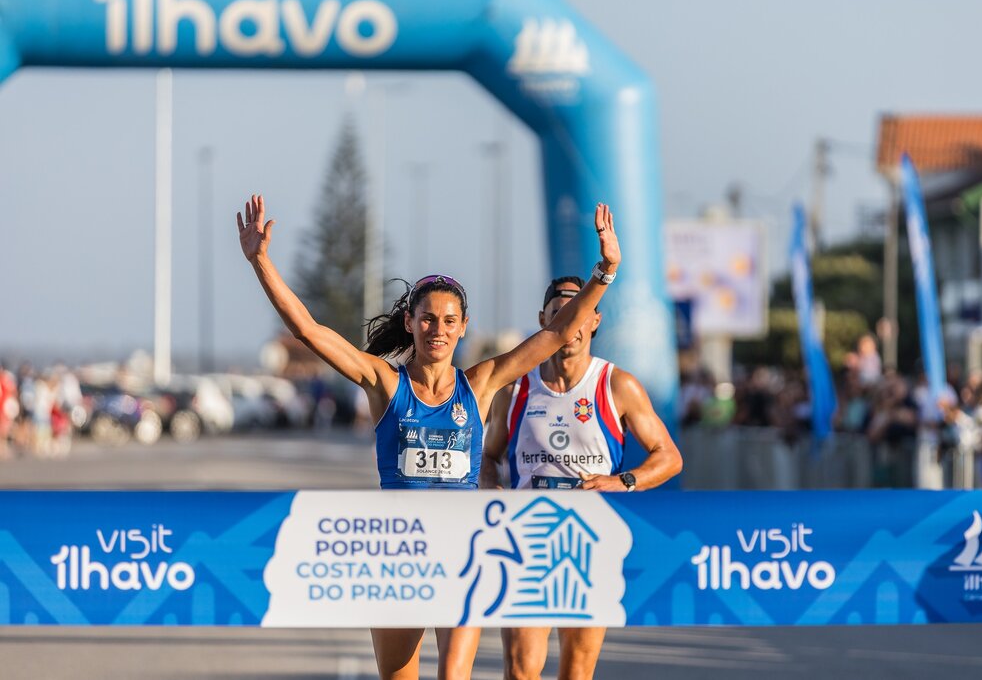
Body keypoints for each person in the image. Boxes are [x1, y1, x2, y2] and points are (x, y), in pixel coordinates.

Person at [237, 194, 621, 680]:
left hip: (463, 549)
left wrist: (605, 271)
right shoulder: (384, 383)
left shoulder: (480, 385)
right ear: (409, 322)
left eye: (448, 321)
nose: (437, 329)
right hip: (398, 552)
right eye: (427, 319)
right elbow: (308, 331)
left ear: (463, 328)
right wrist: (260, 262)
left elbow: (557, 331)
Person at [479, 275, 683, 680]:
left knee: (576, 672)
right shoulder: (517, 387)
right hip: (527, 538)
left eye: (580, 315)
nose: (570, 325)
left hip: (588, 540)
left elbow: (669, 457)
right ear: (543, 320)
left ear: (595, 321)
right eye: (560, 315)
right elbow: (488, 456)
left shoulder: (617, 385)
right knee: (520, 670)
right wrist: (492, 491)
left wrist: (623, 480)